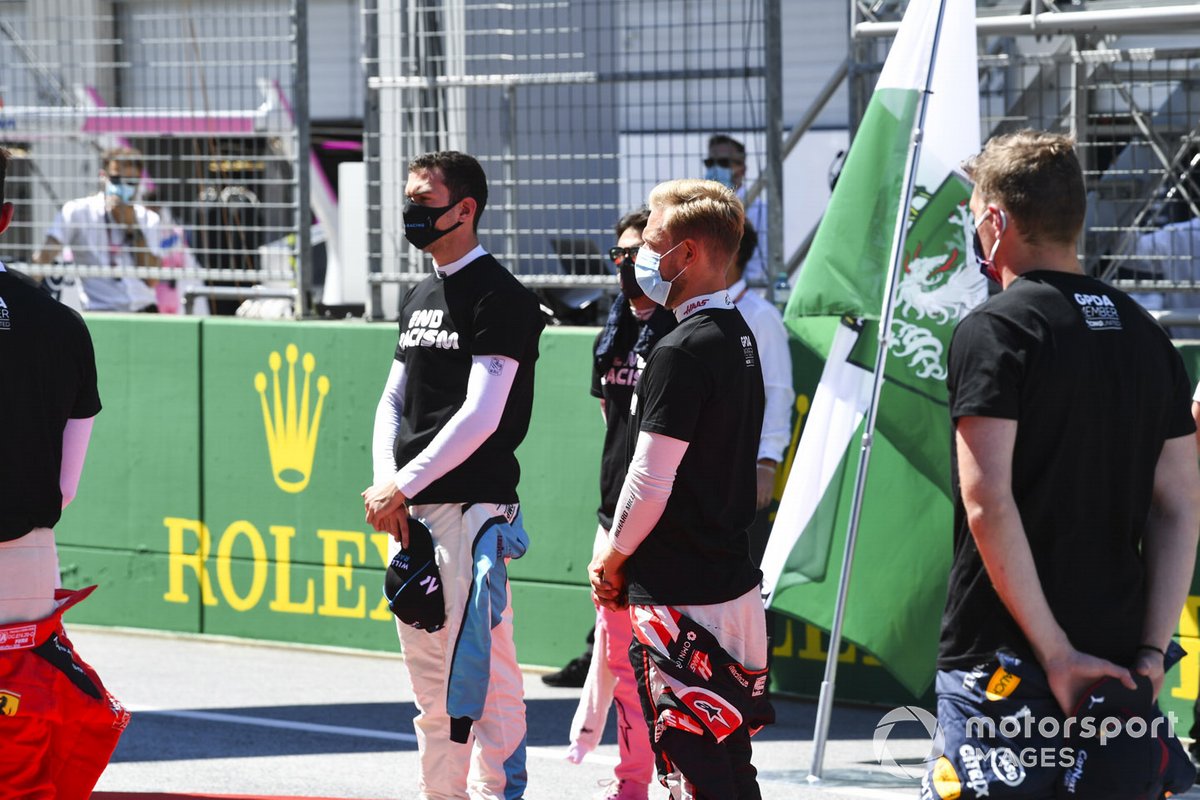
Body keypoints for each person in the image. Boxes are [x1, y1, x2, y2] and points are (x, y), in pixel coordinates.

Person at [928, 130, 1200, 799]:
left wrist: (1054, 655)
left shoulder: (995, 330)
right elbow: (1180, 507)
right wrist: (1145, 655)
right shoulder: (1146, 333)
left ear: (996, 222)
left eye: (974, 219)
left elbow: (987, 501)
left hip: (1004, 661)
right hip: (1116, 662)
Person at [362, 150, 544, 800]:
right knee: (430, 686)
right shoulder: (419, 292)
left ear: (465, 209)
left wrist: (401, 486)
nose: (412, 213)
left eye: (424, 201)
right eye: (408, 200)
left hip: (469, 514)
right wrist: (391, 488)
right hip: (407, 514)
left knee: (483, 676)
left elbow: (481, 415)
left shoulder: (503, 296)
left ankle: (501, 793)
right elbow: (392, 400)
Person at [590, 178, 773, 800]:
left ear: (687, 254)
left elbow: (650, 476)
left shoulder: (681, 348)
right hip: (731, 584)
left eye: (655, 242)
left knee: (692, 773)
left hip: (681, 593)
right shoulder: (739, 335)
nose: (642, 255)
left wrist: (613, 557)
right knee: (728, 763)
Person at [0, 146, 130, 796]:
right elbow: (66, 486)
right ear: (6, 217)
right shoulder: (61, 323)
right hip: (24, 558)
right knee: (18, 727)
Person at [563, 207, 675, 800]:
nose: (629, 267)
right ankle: (631, 783)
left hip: (667, 522)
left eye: (641, 255)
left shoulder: (683, 333)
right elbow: (611, 421)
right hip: (615, 518)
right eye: (620, 256)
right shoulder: (614, 332)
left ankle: (680, 777)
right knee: (620, 661)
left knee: (671, 670)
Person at [724, 221, 794, 543]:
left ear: (733, 253)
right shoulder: (685, 311)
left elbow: (777, 393)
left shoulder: (761, 316)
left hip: (740, 476)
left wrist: (766, 465)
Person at [32, 146, 161, 312]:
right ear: (103, 176)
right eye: (116, 179)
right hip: (103, 311)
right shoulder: (78, 211)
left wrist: (132, 227)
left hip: (146, 310)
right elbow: (44, 256)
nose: (122, 186)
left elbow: (151, 279)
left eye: (130, 182)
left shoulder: (148, 219)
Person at [704, 135, 767, 286]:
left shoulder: (759, 209)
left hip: (744, 292)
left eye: (724, 163)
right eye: (710, 162)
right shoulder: (701, 204)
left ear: (742, 169)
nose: (715, 168)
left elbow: (762, 261)